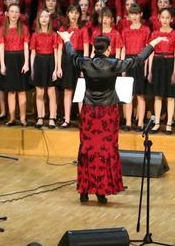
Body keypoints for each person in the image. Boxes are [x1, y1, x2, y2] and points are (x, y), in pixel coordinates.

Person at [61, 29, 164, 203]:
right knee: (105, 150)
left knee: (88, 149)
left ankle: (84, 190)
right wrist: (152, 44)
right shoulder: (114, 64)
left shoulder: (85, 63)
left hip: (89, 111)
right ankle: (101, 191)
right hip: (107, 113)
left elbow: (71, 55)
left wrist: (66, 40)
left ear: (95, 49)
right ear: (108, 49)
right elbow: (137, 60)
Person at [148, 7, 175, 133]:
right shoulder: (155, 34)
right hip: (157, 63)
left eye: (167, 18)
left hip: (170, 62)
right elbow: (151, 53)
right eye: (163, 17)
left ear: (171, 19)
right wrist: (150, 70)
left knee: (170, 96)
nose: (165, 20)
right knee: (158, 95)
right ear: (159, 19)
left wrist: (174, 71)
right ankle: (156, 122)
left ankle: (168, 123)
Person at [120, 4, 153, 131]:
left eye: (136, 14)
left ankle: (140, 122)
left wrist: (146, 67)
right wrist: (122, 66)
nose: (134, 16)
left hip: (140, 61)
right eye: (131, 14)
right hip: (128, 61)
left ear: (141, 14)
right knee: (128, 95)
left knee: (140, 94)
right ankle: (128, 122)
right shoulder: (125, 30)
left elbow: (148, 49)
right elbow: (123, 48)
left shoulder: (146, 30)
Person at [0, 3, 30, 126]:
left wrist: (26, 63)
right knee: (11, 91)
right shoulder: (3, 29)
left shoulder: (24, 28)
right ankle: (12, 118)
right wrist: (2, 64)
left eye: (17, 12)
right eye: (12, 11)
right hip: (8, 60)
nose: (14, 14)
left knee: (21, 91)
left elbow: (26, 46)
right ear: (7, 13)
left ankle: (22, 118)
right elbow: (1, 47)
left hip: (20, 59)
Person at [29, 10, 62, 127]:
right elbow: (32, 53)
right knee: (39, 92)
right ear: (38, 19)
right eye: (41, 16)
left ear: (49, 19)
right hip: (38, 62)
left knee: (51, 92)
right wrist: (32, 69)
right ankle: (40, 117)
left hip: (50, 62)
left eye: (46, 16)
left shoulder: (53, 35)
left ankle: (52, 117)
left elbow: (56, 52)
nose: (43, 18)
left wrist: (57, 68)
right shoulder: (35, 35)